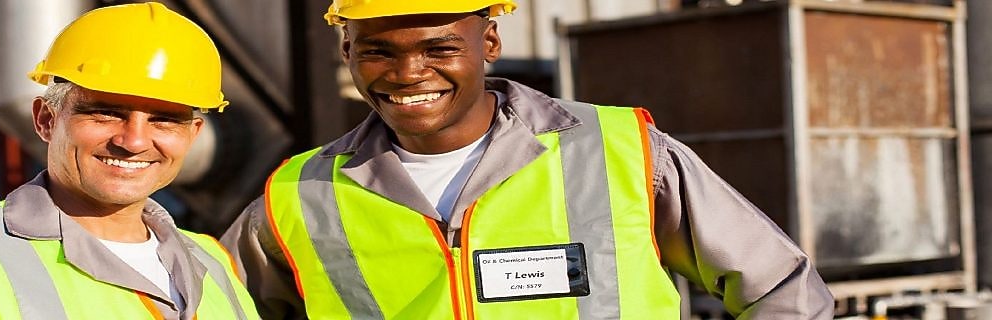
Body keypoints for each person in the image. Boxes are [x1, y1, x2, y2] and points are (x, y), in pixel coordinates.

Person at [220, 0, 833, 318]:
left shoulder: (620, 152)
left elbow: (780, 289)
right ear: (346, 50)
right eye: (376, 52)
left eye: (439, 48)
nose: (407, 74)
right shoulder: (299, 193)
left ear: (489, 41)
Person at [0, 3, 259, 319]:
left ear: (193, 135)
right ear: (46, 119)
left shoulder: (212, 263)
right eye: (105, 113)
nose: (134, 141)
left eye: (164, 120)